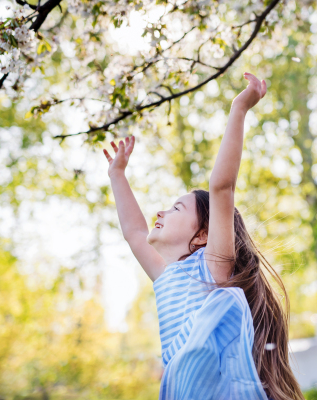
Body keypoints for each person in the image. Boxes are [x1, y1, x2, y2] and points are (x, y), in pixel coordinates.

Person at [103, 72, 304, 400]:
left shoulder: (212, 269)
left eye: (176, 209)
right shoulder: (165, 278)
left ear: (203, 235)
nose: (161, 213)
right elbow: (134, 232)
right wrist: (117, 175)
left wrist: (239, 108)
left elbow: (221, 187)